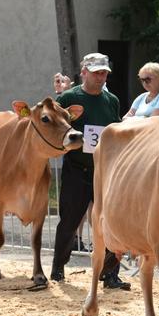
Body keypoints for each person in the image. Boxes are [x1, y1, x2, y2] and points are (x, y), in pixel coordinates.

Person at [50, 52, 131, 290]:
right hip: (77, 169)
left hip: (105, 172)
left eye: (104, 72)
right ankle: (58, 268)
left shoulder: (111, 101)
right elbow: (53, 125)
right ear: (84, 72)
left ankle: (110, 273)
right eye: (96, 72)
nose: (101, 77)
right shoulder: (68, 98)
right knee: (69, 220)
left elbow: (113, 130)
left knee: (110, 223)